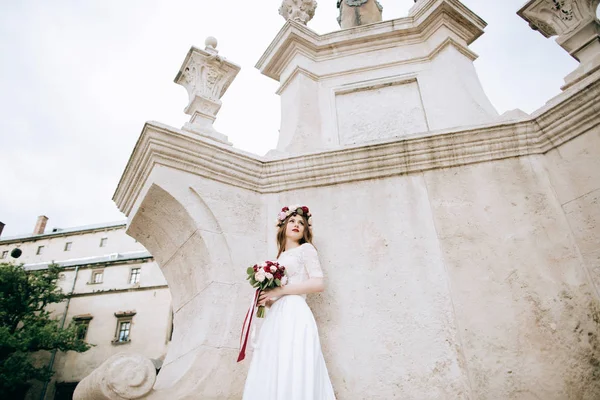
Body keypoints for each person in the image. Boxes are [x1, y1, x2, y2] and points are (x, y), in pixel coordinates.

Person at [242, 205, 336, 400]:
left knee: (295, 360)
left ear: (305, 230)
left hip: (296, 312)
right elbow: (279, 294)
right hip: (277, 315)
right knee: (276, 361)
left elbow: (318, 283)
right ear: (283, 226)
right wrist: (267, 300)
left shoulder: (306, 249)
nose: (296, 225)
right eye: (292, 221)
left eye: (301, 223)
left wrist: (279, 290)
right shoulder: (279, 258)